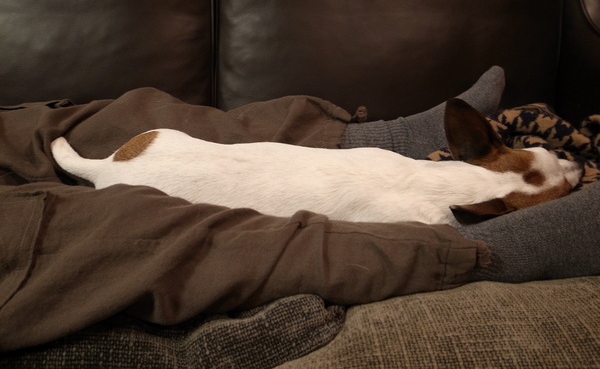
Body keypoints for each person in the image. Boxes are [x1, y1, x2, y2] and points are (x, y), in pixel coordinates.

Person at [1, 66, 598, 351]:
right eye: (561, 166)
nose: (574, 168)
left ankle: (389, 136)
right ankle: (488, 251)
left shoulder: (413, 185)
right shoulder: (419, 210)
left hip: (143, 155)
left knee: (153, 121)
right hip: (134, 192)